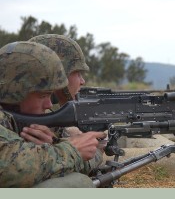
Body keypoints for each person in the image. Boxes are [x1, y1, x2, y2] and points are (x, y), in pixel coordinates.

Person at [0, 41, 105, 187]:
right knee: (75, 183)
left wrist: (49, 147)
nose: (49, 104)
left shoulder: (21, 121)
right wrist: (69, 152)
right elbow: (8, 169)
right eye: (43, 96)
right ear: (14, 95)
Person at [28, 34, 103, 172]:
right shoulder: (24, 118)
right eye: (78, 73)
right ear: (58, 74)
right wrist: (97, 151)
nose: (82, 81)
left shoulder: (45, 116)